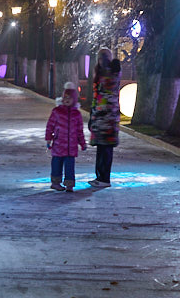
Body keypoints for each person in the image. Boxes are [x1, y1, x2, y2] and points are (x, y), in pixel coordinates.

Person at [88, 47, 122, 188]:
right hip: (101, 116)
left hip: (108, 116)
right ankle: (100, 177)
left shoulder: (113, 72)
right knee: (101, 147)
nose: (102, 61)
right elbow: (97, 95)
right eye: (100, 58)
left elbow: (107, 90)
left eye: (104, 57)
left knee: (106, 148)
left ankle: (104, 178)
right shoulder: (101, 73)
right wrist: (93, 113)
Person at [45, 81, 87, 192]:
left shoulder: (76, 114)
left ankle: (69, 184)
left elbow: (79, 130)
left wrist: (82, 143)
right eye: (65, 97)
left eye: (69, 98)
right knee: (56, 165)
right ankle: (55, 182)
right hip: (59, 144)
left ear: (74, 99)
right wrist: (48, 139)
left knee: (69, 166)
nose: (67, 100)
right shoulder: (57, 112)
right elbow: (50, 126)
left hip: (71, 146)